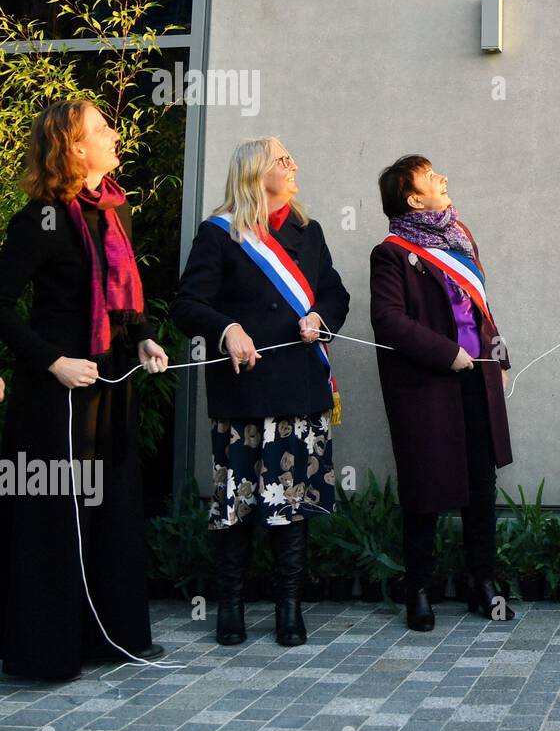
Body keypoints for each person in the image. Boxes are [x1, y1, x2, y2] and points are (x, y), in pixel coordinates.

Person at [0, 101, 168, 681]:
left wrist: (144, 339)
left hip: (111, 379)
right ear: (74, 148)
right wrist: (53, 362)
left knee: (112, 502)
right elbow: (0, 307)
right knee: (58, 514)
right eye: (101, 129)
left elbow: (125, 300)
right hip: (58, 391)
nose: (113, 134)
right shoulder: (40, 220)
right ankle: (47, 651)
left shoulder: (113, 212)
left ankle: (110, 637)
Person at [173, 138, 349, 647]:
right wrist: (226, 328)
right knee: (237, 503)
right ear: (255, 172)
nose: (293, 165)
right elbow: (187, 304)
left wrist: (322, 317)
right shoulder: (219, 233)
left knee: (291, 504)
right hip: (243, 394)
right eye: (282, 159)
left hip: (299, 386)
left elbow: (335, 291)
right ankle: (230, 607)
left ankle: (288, 608)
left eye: (292, 157)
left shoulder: (306, 231)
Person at [370, 156, 514, 631]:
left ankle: (483, 584)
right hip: (428, 384)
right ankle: (419, 590)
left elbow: (481, 306)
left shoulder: (461, 236)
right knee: (427, 488)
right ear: (413, 198)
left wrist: (499, 358)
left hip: (478, 377)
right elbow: (388, 322)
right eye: (432, 178)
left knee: (481, 486)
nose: (444, 179)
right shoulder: (390, 253)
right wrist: (445, 352)